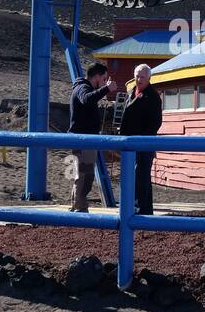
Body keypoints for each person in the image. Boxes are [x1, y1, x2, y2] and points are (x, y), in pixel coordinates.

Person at [118, 63, 163, 215]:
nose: (139, 79)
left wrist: (142, 140)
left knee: (141, 177)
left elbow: (156, 122)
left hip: (143, 143)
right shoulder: (131, 92)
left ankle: (140, 209)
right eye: (137, 76)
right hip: (129, 142)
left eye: (142, 76)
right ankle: (144, 209)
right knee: (136, 177)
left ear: (149, 78)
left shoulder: (153, 96)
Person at [68, 62, 112, 212]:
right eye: (104, 79)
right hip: (83, 141)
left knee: (83, 175)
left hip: (85, 140)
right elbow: (87, 99)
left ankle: (77, 206)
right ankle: (79, 208)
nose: (105, 82)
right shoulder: (83, 88)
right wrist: (106, 89)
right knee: (84, 176)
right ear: (97, 77)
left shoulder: (82, 87)